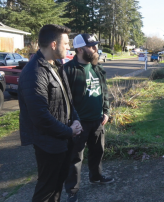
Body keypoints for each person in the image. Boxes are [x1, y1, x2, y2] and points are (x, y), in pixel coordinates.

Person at [18, 24, 83, 202]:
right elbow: (40, 117)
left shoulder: (56, 65)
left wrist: (75, 120)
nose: (69, 47)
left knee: (57, 185)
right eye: (66, 43)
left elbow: (68, 100)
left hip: (62, 140)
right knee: (47, 189)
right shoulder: (34, 72)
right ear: (54, 45)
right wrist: (69, 131)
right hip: (48, 144)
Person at [63, 34, 113, 202]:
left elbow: (104, 92)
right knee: (75, 157)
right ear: (79, 49)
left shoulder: (97, 68)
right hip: (79, 123)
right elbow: (64, 100)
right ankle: (72, 190)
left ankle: (96, 176)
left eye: (94, 46)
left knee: (98, 151)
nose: (94, 49)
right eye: (91, 46)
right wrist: (71, 121)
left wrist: (106, 111)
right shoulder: (68, 70)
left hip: (98, 120)